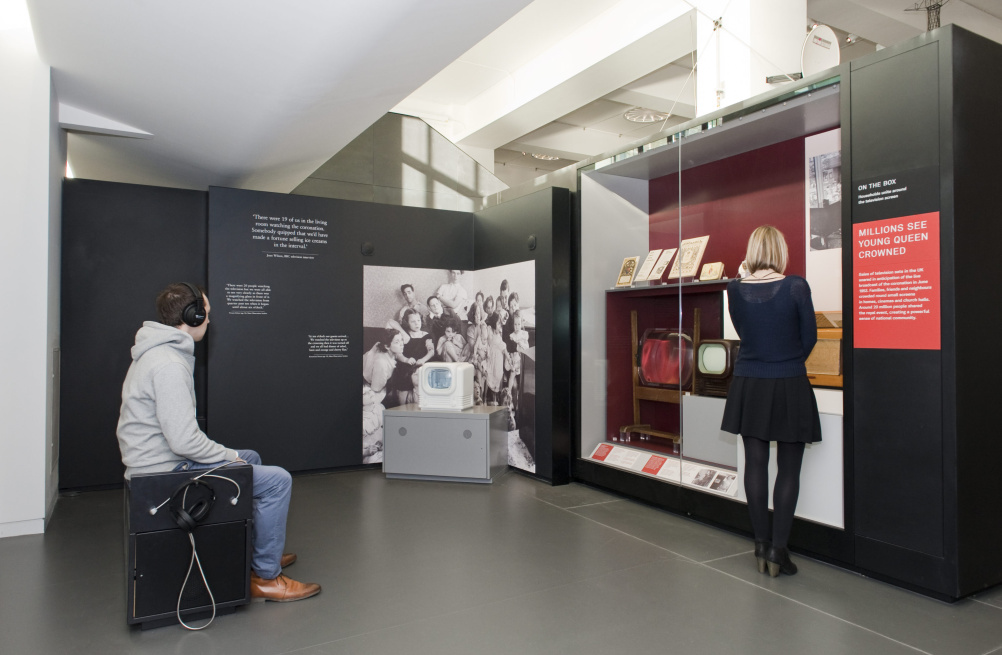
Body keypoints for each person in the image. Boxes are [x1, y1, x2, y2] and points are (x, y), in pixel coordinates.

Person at [116, 282, 321, 601]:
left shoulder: (158, 353)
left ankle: (258, 553)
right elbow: (184, 441)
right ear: (192, 317)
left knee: (249, 457)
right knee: (278, 481)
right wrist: (226, 456)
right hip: (162, 471)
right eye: (206, 314)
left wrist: (232, 457)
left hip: (157, 460)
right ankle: (266, 578)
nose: (210, 321)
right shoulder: (169, 365)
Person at [720, 226, 822, 578]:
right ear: (780, 250)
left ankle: (760, 546)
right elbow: (810, 338)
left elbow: (742, 331)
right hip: (789, 381)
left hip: (749, 382)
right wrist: (788, 359)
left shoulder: (734, 289)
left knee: (755, 464)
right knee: (789, 469)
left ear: (751, 251)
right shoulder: (796, 286)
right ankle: (779, 551)